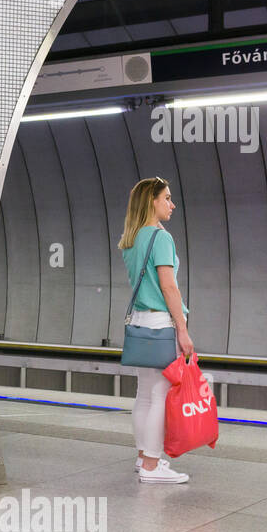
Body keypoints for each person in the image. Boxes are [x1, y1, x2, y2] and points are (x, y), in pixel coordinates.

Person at [118, 178, 193, 485]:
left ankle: (142, 457)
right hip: (162, 323)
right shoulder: (161, 239)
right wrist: (183, 330)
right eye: (167, 198)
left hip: (139, 322)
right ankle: (152, 464)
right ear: (152, 201)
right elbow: (168, 286)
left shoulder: (131, 239)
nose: (171, 204)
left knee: (145, 395)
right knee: (160, 396)